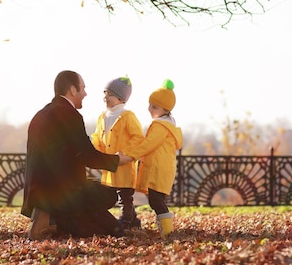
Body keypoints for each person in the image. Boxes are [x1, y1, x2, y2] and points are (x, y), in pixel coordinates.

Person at [21, 70, 134, 239]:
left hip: (37, 192)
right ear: (73, 90)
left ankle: (53, 220)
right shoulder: (69, 115)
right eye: (83, 88)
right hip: (61, 192)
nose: (85, 94)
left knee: (103, 227)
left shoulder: (40, 115)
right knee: (108, 195)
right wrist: (118, 160)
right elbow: (86, 155)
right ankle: (54, 218)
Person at [128, 79, 183, 237]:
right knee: (156, 200)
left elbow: (149, 145)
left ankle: (167, 231)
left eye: (154, 107)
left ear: (165, 109)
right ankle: (165, 228)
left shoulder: (160, 126)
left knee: (156, 201)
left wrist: (131, 155)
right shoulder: (166, 125)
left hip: (159, 170)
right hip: (162, 169)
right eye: (150, 105)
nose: (149, 109)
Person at [91, 76, 144, 230]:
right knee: (113, 193)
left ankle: (126, 220)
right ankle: (134, 219)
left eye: (109, 94)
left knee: (125, 196)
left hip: (124, 163)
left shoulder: (128, 116)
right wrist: (96, 150)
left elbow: (137, 137)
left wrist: (125, 153)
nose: (105, 98)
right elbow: (98, 137)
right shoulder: (102, 117)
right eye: (104, 93)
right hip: (109, 164)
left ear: (120, 98)